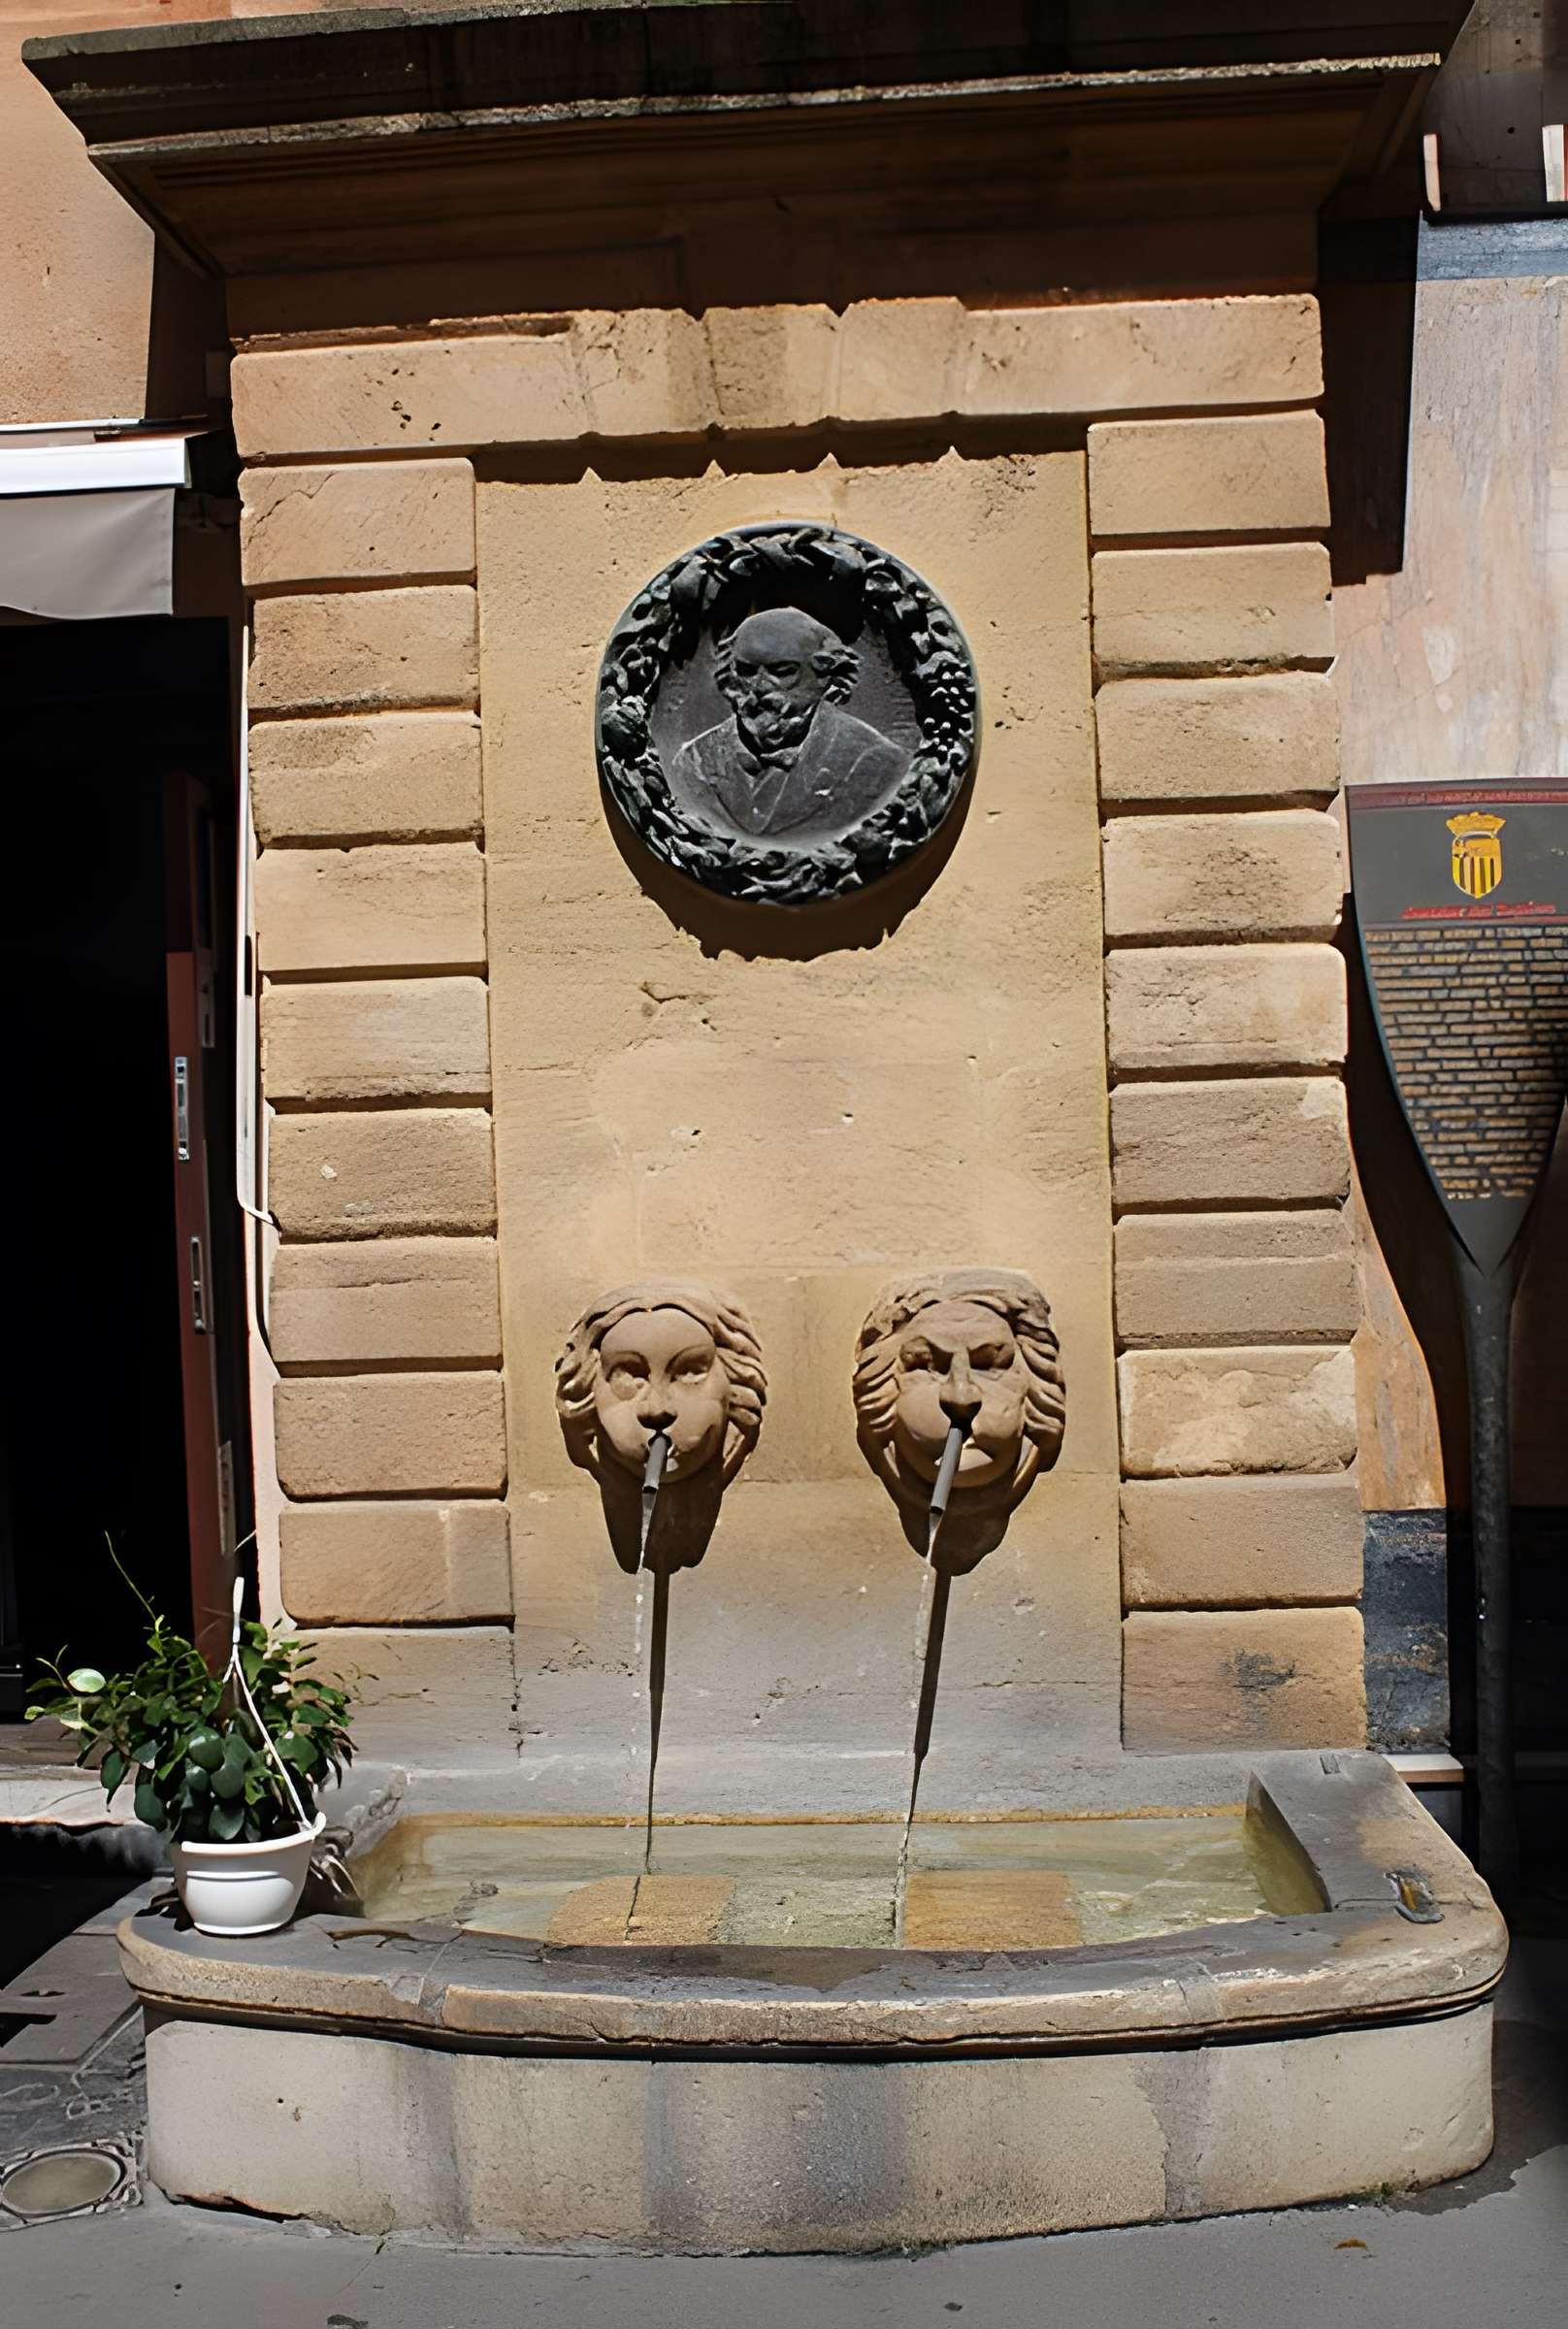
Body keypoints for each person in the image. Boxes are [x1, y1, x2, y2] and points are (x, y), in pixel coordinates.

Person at [673, 607, 907, 839]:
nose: (760, 687)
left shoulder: (875, 762)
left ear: (824, 676)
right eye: (746, 671)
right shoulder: (695, 761)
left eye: (783, 672)